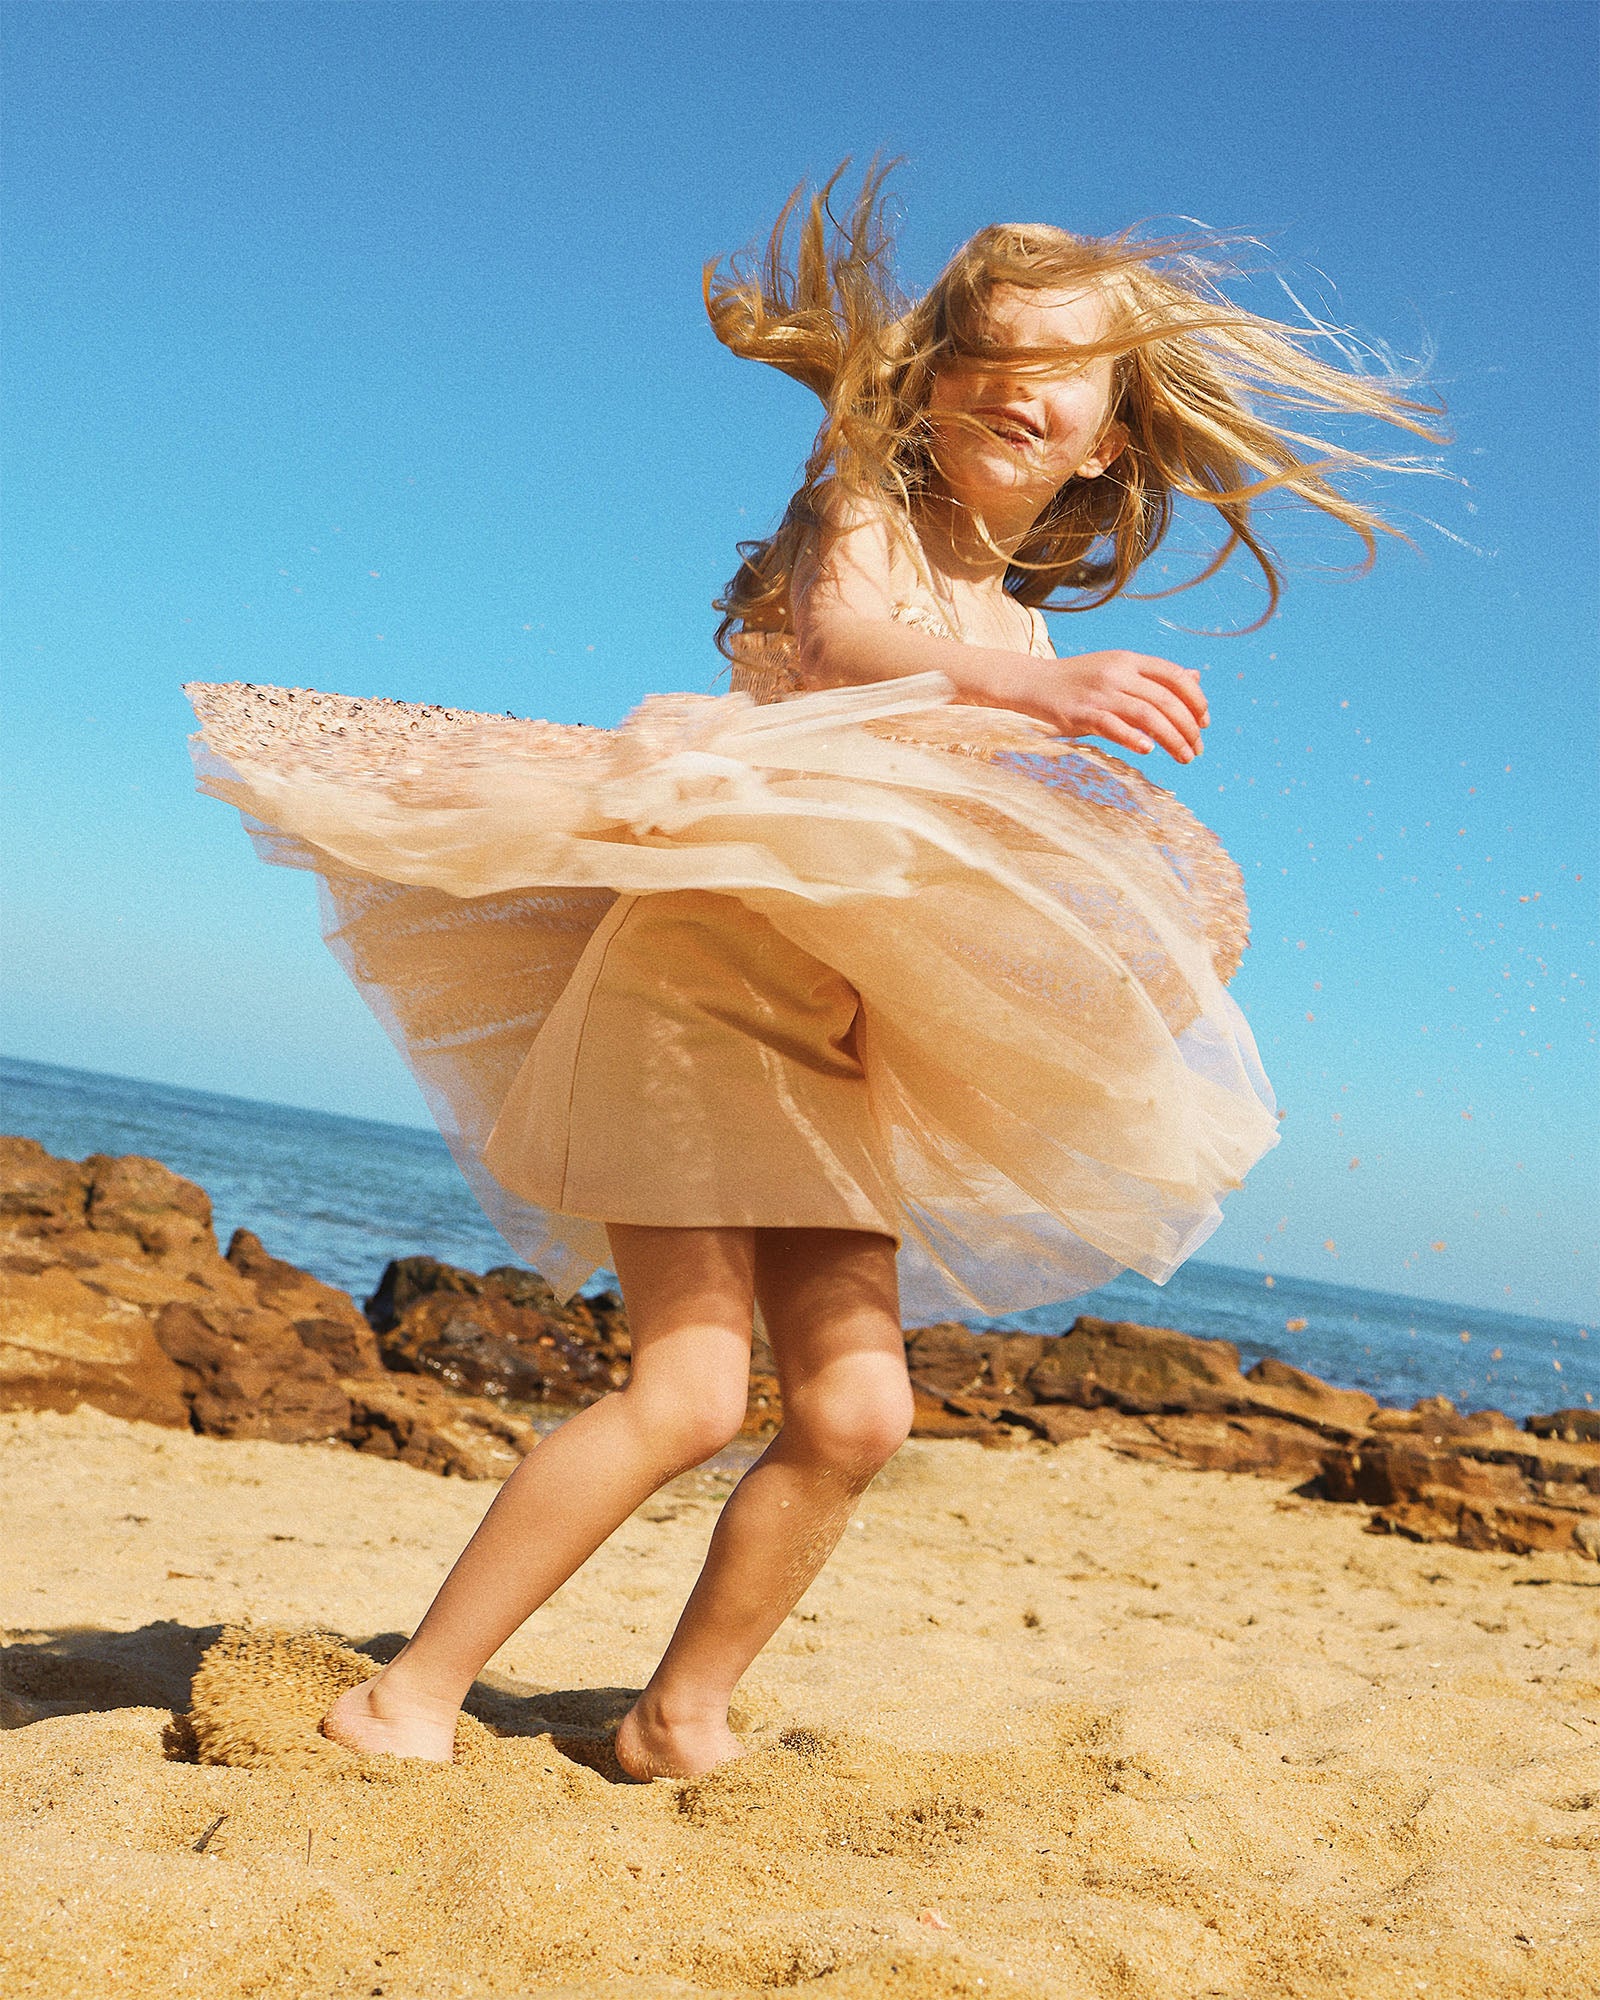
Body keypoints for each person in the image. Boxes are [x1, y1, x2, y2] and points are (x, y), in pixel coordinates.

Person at [184, 166, 1441, 1775]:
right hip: (694, 987)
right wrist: (1036, 700)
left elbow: (972, 857)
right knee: (691, 1393)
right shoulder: (860, 508)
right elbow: (846, 650)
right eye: (992, 357)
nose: (1020, 390)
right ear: (934, 381)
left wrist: (1123, 922)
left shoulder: (1024, 640)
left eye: (1062, 375)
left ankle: (675, 1716)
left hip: (830, 1036)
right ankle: (403, 1696)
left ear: (1108, 441)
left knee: (858, 1414)